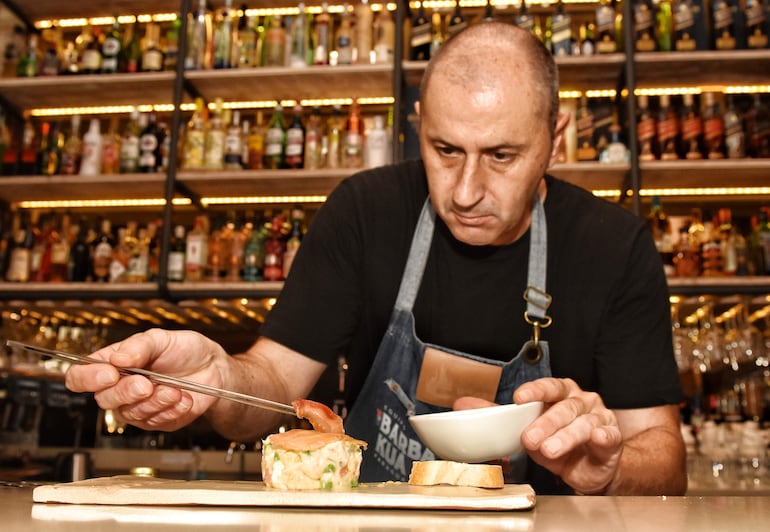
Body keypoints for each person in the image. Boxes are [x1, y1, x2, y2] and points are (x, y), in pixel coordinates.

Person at [65, 22, 687, 495]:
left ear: (556, 138)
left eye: (501, 156)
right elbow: (276, 384)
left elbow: (663, 456)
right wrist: (221, 380)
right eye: (444, 150)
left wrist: (608, 468)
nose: (466, 192)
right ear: (417, 125)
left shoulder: (613, 245)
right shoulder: (364, 211)